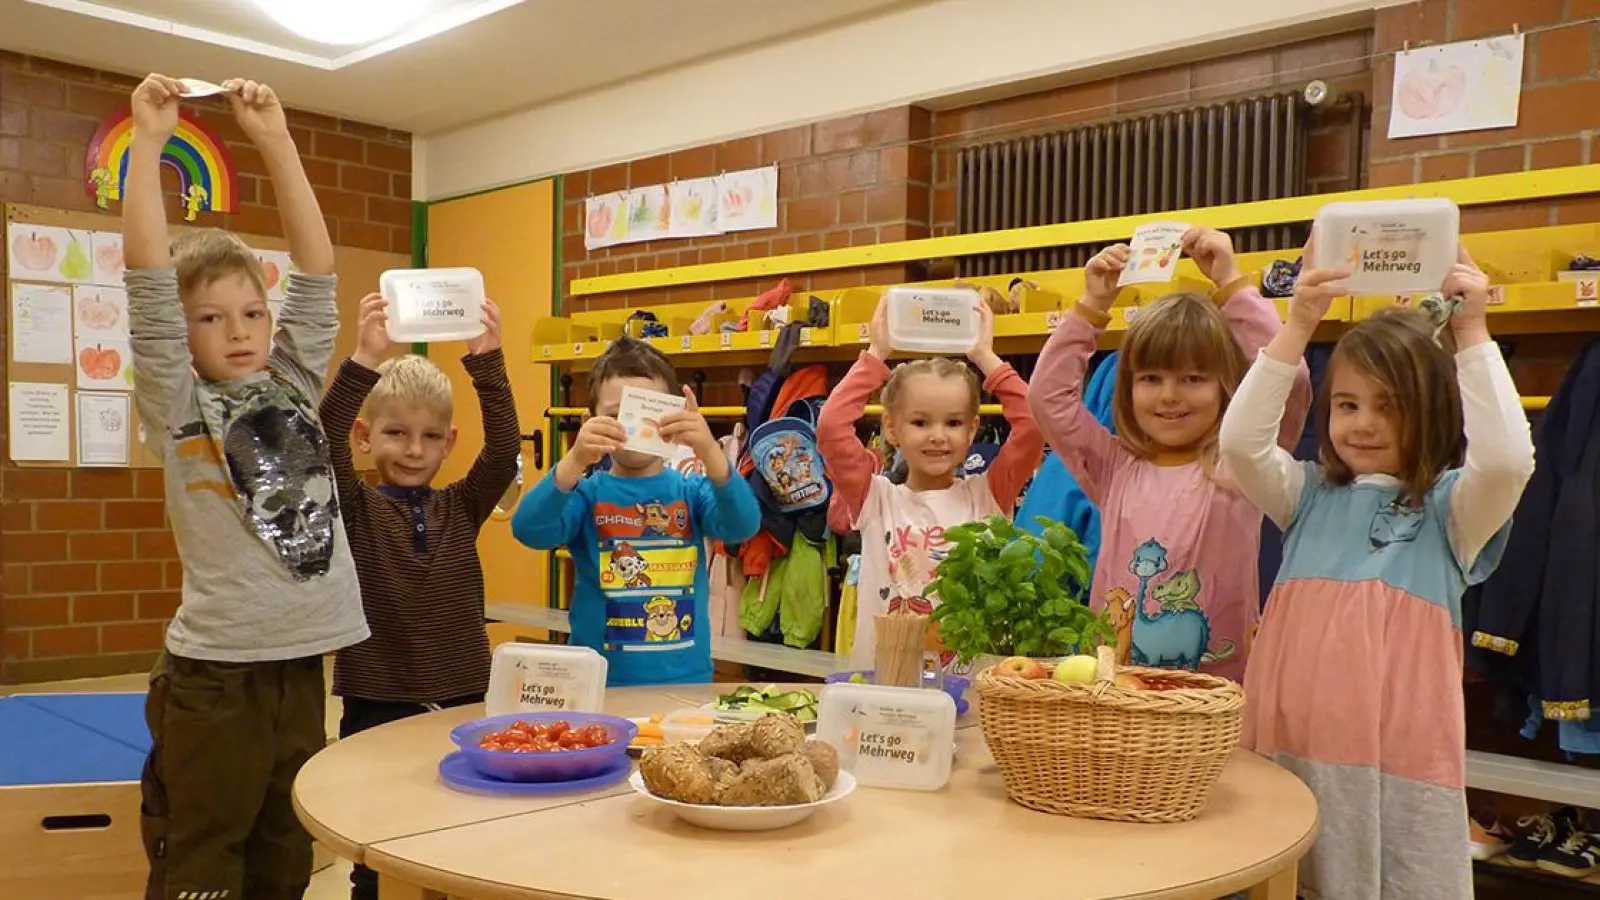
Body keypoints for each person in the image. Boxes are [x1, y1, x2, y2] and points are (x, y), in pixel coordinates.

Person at [1218, 243, 1535, 899]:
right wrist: (1299, 323)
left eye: (1389, 406)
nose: (1363, 424)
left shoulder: (1453, 511)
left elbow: (1506, 461)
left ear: (1433, 414)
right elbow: (1241, 443)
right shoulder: (1305, 496)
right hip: (1285, 755)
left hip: (1394, 774)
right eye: (1348, 404)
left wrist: (1473, 332)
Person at [124, 75, 368, 900]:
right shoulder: (179, 399)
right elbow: (149, 281)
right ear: (183, 334)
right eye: (212, 317)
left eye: (252, 314)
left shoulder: (295, 378)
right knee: (203, 857)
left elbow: (317, 267)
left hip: (301, 664)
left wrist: (276, 142)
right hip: (216, 676)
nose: (239, 331)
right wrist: (151, 142)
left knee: (283, 850)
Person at [1028, 227, 1311, 682]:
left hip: (1215, 693)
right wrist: (1091, 306)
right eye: (1152, 378)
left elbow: (1290, 382)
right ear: (1128, 387)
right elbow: (1048, 398)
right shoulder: (1113, 466)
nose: (1170, 396)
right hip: (1113, 688)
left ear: (1226, 388)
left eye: (1193, 378)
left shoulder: (1242, 461)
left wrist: (1233, 285)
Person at [319, 293, 520, 900]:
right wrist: (362, 358)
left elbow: (505, 447)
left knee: (458, 823)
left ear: (448, 442)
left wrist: (488, 364)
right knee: (374, 837)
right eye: (396, 433)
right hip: (375, 695)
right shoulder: (352, 504)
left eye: (431, 436)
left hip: (461, 692)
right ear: (364, 435)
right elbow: (322, 438)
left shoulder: (461, 504)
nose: (413, 450)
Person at [510, 337, 760, 685]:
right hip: (598, 686)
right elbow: (528, 529)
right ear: (589, 421)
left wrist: (710, 453)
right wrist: (574, 459)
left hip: (684, 685)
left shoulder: (690, 490)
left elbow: (742, 525)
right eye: (615, 415)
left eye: (648, 414)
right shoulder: (586, 494)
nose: (632, 427)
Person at [818, 295, 1044, 672]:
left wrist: (985, 357)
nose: (938, 436)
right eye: (921, 422)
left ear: (972, 429)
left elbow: (1034, 424)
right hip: (884, 683)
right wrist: (876, 354)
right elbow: (830, 427)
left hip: (967, 687)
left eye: (953, 423)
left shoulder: (987, 494)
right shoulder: (875, 497)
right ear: (891, 428)